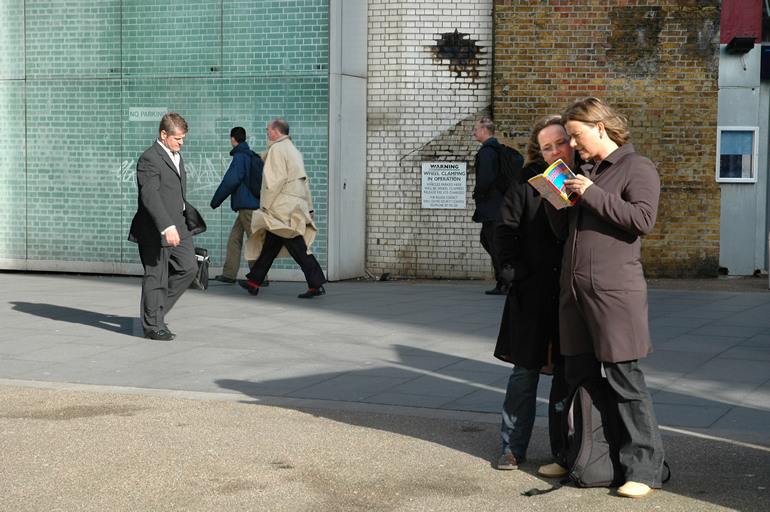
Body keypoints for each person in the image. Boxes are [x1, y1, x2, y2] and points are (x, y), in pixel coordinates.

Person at [537, 97, 665, 499]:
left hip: (614, 294)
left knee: (626, 381)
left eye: (575, 136)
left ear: (600, 128)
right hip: (574, 294)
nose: (572, 145)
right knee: (576, 379)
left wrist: (590, 192)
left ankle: (643, 469)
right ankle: (579, 456)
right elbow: (565, 235)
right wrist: (557, 200)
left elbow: (641, 220)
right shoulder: (583, 172)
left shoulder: (635, 166)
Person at [492, 116, 572, 470]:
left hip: (571, 295)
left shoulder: (587, 181)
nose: (555, 151)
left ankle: (564, 450)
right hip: (532, 291)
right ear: (536, 152)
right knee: (524, 372)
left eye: (560, 143)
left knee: (566, 375)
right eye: (546, 147)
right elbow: (503, 232)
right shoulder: (527, 183)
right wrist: (515, 275)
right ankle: (513, 446)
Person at [128, 112, 204, 341]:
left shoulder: (176, 156)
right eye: (178, 138)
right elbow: (150, 195)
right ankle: (152, 325)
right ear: (163, 134)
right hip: (156, 228)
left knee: (189, 268)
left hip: (179, 224)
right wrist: (166, 226)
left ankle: (157, 311)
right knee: (156, 276)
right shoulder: (149, 158)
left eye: (183, 138)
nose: (182, 143)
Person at [240, 118, 327, 298]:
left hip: (281, 208)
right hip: (294, 206)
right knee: (271, 244)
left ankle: (316, 283)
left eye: (268, 130)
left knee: (297, 246)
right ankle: (254, 281)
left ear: (276, 131)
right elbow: (305, 181)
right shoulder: (294, 151)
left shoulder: (277, 150)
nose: (267, 133)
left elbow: (275, 182)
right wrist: (309, 206)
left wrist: (265, 205)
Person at [210, 127, 263, 284]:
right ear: (244, 137)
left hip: (247, 207)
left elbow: (230, 181)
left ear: (233, 139)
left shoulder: (240, 157)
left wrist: (216, 201)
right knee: (234, 239)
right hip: (247, 206)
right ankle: (229, 273)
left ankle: (259, 276)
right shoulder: (251, 155)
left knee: (253, 241)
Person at [472, 118, 506, 295]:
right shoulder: (498, 150)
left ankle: (505, 281)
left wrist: (477, 193)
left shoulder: (487, 152)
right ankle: (504, 280)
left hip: (491, 207)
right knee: (490, 241)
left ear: (485, 130)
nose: (474, 132)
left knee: (492, 243)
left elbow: (485, 179)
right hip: (500, 205)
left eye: (476, 129)